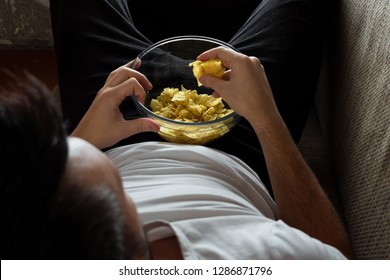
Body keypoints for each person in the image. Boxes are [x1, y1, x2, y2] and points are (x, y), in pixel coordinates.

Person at [0, 0, 353, 259]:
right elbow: (335, 255)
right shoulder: (261, 255)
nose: (68, 146)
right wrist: (265, 117)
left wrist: (89, 137)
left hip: (120, 128)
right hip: (241, 149)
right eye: (119, 186)